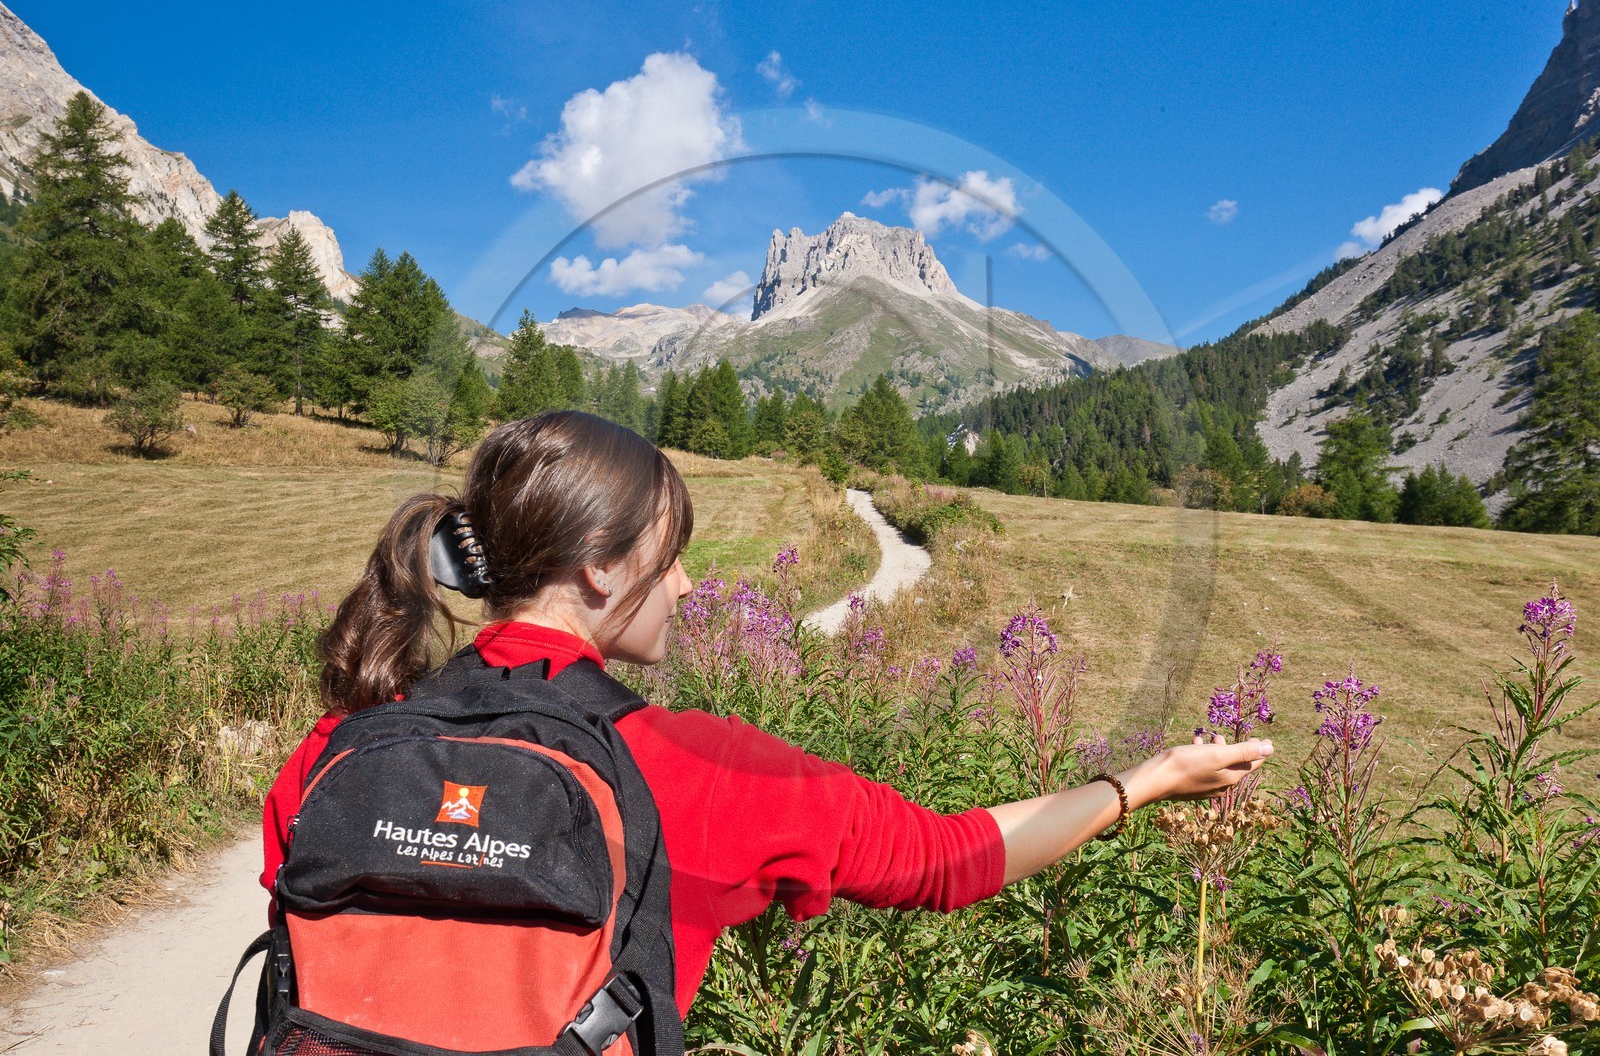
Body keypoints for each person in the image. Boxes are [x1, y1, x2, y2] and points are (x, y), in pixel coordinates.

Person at [261, 410, 1271, 1017]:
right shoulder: (699, 767)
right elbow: (951, 859)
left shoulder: (340, 746)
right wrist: (1141, 783)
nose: (690, 581)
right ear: (601, 567)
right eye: (672, 551)